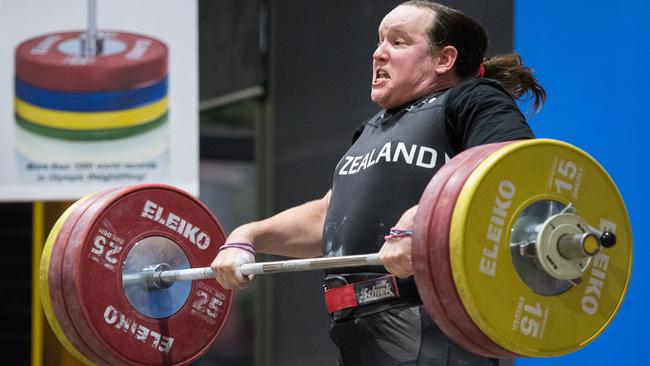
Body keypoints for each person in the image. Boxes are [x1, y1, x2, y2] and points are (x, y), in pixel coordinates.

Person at [211, 1, 546, 365]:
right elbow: (328, 217)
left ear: (444, 59)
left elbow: (510, 168)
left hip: (432, 333)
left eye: (398, 42)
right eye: (379, 41)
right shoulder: (372, 130)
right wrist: (248, 236)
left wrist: (422, 220)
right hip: (359, 337)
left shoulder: (472, 99)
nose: (378, 53)